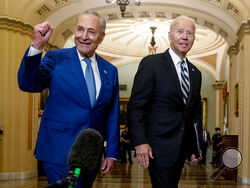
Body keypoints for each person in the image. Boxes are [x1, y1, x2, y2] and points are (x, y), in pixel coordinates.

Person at [17, 10, 120, 188]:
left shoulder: (110, 70)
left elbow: (112, 115)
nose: (84, 36)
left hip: (90, 156)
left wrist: (111, 152)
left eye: (91, 31)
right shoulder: (55, 58)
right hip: (58, 151)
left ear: (101, 37)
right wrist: (37, 46)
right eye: (80, 30)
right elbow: (28, 84)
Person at [127, 16, 202, 188]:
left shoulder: (195, 73)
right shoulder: (151, 63)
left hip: (181, 149)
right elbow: (136, 106)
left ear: (193, 39)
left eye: (189, 33)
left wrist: (193, 147)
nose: (185, 37)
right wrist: (140, 142)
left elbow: (193, 114)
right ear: (170, 36)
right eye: (180, 31)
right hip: (157, 147)